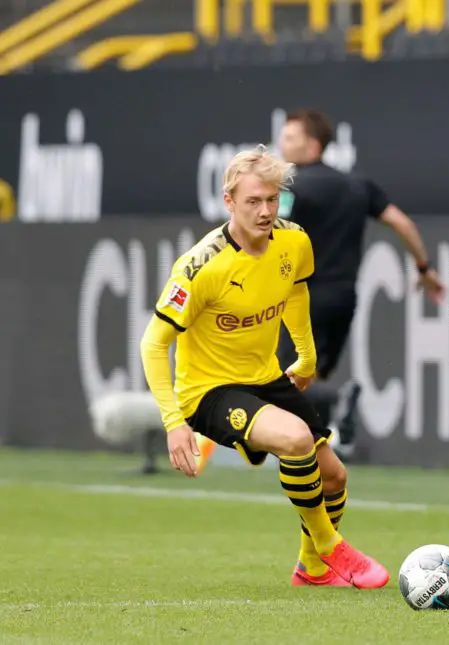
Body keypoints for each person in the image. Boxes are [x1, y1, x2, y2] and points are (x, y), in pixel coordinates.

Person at [138, 145, 390, 589]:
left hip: (266, 377)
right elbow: (153, 344)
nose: (265, 211)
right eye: (253, 201)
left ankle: (312, 570)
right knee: (295, 439)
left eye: (272, 199)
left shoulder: (294, 241)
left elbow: (294, 292)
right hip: (208, 392)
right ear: (229, 201)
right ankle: (331, 546)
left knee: (334, 475)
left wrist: (306, 356)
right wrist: (174, 422)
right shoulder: (200, 267)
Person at [274, 109, 445, 455]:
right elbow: (402, 223)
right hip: (343, 298)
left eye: (290, 138)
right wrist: (424, 268)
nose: (282, 144)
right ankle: (327, 443)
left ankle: (336, 402)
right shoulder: (357, 185)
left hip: (304, 298)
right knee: (311, 377)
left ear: (313, 145)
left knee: (281, 380)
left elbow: (271, 234)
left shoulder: (293, 187)